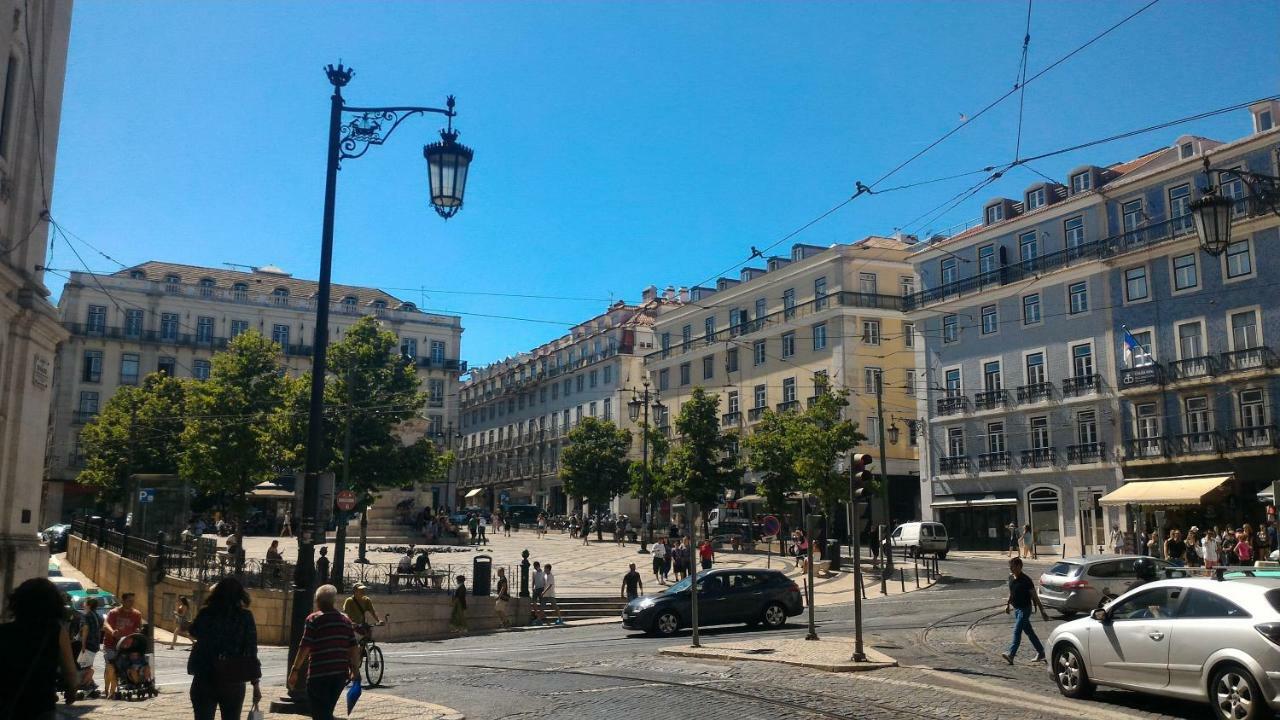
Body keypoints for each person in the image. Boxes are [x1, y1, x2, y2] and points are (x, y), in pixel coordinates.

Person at [0, 578, 79, 719]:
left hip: (6, 704)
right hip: (40, 705)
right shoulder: (56, 632)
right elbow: (70, 673)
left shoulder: (4, 631)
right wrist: (71, 691)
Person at [187, 577, 260, 720]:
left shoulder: (206, 613)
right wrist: (255, 684)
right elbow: (251, 651)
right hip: (233, 678)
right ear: (240, 595)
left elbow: (193, 631)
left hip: (205, 676)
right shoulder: (245, 617)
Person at [290, 585, 360, 720]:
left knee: (319, 713)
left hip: (318, 675)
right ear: (333, 601)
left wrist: (295, 670)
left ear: (317, 602)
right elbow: (353, 648)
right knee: (326, 710)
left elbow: (304, 646)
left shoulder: (313, 619)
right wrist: (355, 670)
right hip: (339, 675)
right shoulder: (345, 620)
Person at [1000, 557, 1048, 665]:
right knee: (1029, 632)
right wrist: (1007, 605)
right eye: (1010, 567)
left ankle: (1011, 655)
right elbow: (1012, 593)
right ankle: (1041, 652)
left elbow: (1035, 597)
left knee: (1017, 630)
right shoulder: (1011, 578)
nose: (1011, 569)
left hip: (1025, 609)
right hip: (1017, 609)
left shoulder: (1026, 580)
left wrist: (1042, 611)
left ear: (1019, 567)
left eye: (1013, 567)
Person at [103, 592, 143, 699]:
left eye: (133, 601)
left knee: (120, 668)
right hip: (111, 645)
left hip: (126, 647)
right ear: (123, 601)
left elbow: (139, 628)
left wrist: (138, 631)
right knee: (110, 667)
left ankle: (112, 692)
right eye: (129, 601)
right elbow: (106, 625)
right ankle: (108, 690)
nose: (131, 603)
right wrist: (112, 632)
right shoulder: (113, 612)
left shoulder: (136, 614)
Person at [79, 596, 102, 689]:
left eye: (85, 603)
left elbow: (85, 629)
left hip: (88, 644)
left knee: (86, 667)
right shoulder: (97, 615)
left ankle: (86, 685)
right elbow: (100, 627)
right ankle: (91, 683)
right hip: (95, 644)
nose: (83, 604)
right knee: (87, 664)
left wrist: (83, 645)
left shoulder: (86, 615)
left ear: (88, 605)